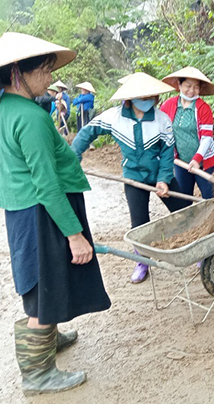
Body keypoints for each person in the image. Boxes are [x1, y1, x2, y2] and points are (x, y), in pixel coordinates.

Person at [0, 32, 111, 395]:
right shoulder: (32, 118)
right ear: (19, 72)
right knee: (44, 286)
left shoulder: (1, 108)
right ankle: (38, 375)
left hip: (23, 212)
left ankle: (48, 337)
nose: (51, 78)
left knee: (41, 280)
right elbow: (46, 183)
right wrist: (74, 233)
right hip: (42, 212)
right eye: (45, 70)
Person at [72, 72, 191, 283]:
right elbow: (86, 133)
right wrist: (73, 158)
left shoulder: (162, 119)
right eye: (142, 98)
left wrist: (163, 179)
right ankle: (142, 261)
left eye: (151, 98)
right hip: (133, 177)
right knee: (139, 223)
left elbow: (166, 153)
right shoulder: (114, 117)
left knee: (185, 211)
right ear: (130, 98)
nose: (147, 102)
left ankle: (199, 252)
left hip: (158, 174)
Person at [160, 67, 214, 199]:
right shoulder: (168, 106)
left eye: (196, 87)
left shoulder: (203, 108)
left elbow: (206, 138)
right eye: (188, 86)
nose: (192, 91)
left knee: (210, 199)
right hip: (180, 161)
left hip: (203, 162)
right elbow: (162, 133)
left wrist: (197, 159)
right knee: (184, 200)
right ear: (179, 84)